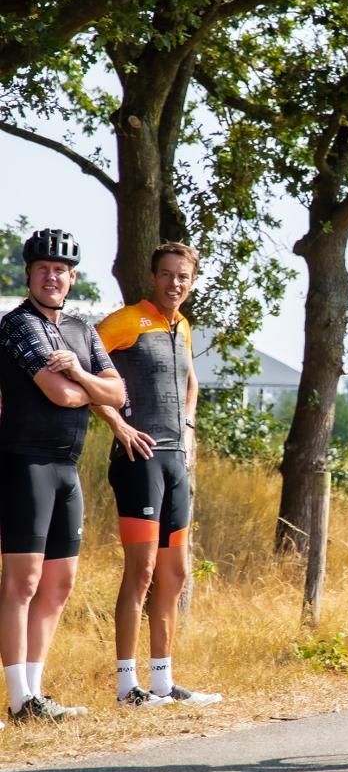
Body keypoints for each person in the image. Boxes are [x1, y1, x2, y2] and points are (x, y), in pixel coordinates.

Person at [0, 228, 125, 721]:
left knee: (59, 583)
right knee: (22, 582)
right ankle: (16, 697)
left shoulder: (82, 329)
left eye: (61, 270)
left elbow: (117, 394)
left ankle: (35, 692)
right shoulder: (17, 325)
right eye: (43, 269)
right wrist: (85, 383)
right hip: (24, 460)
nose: (52, 277)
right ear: (29, 274)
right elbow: (60, 395)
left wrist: (80, 371)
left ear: (72, 279)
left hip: (66, 467)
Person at [93, 242, 221, 707]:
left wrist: (189, 426)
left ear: (192, 281)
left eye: (183, 276)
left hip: (174, 461)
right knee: (141, 571)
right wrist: (117, 423)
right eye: (167, 274)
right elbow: (85, 366)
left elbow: (190, 380)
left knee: (176, 571)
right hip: (138, 460)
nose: (175, 283)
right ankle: (128, 686)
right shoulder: (128, 321)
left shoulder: (181, 325)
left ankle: (163, 682)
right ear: (153, 277)